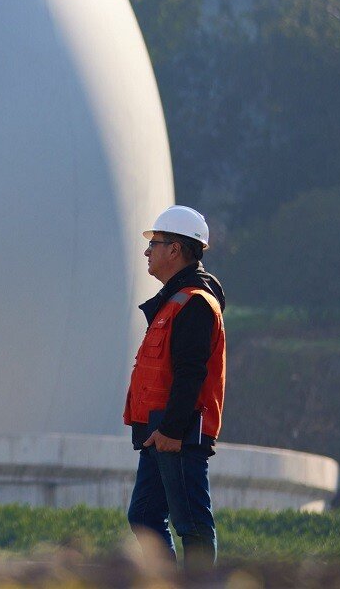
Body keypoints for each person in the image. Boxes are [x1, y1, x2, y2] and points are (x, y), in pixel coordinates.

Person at [123, 204, 226, 568]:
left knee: (191, 523)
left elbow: (190, 373)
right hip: (159, 431)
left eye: (156, 242)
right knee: (144, 516)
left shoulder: (194, 304)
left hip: (177, 431)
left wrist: (171, 429)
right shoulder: (174, 301)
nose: (148, 251)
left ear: (176, 250)